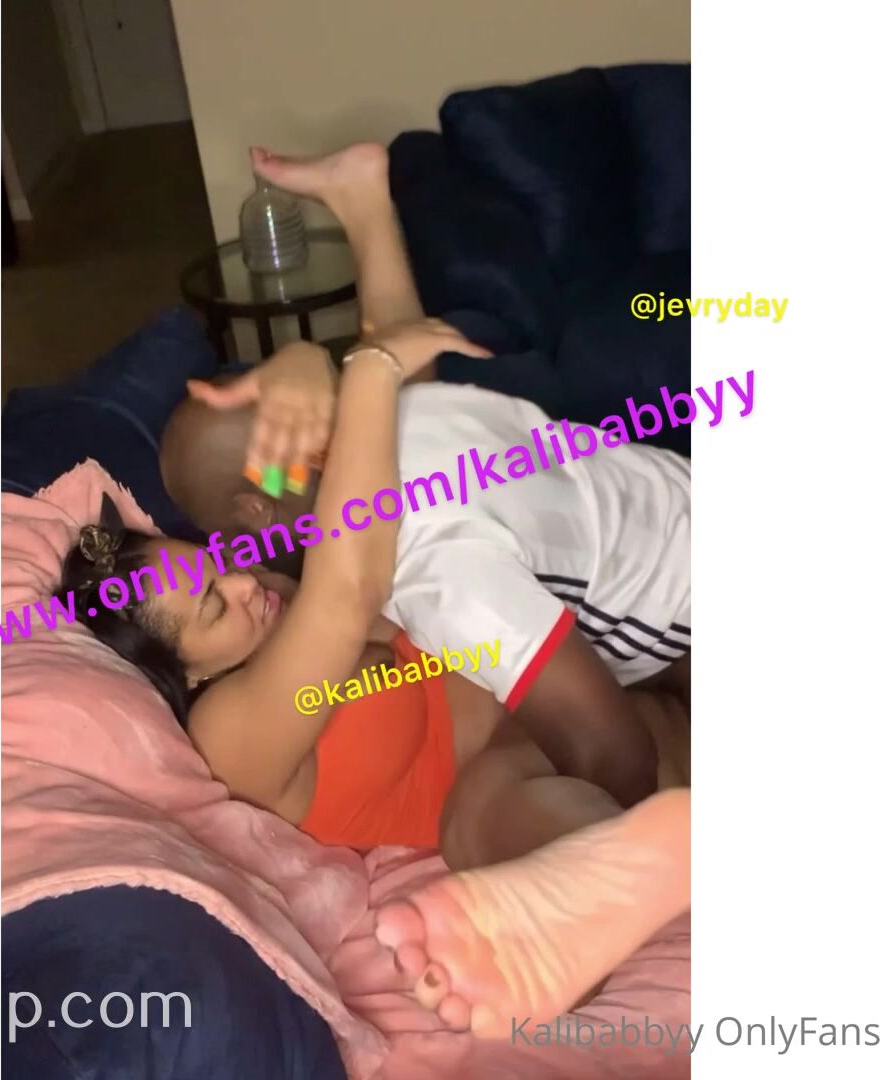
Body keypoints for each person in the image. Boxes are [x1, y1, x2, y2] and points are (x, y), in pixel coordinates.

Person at [160, 143, 691, 810]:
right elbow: (397, 347)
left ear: (257, 510)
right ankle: (362, 194)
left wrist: (621, 846)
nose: (245, 571)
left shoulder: (431, 561)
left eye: (226, 554)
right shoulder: (398, 415)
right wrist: (366, 214)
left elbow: (612, 754)